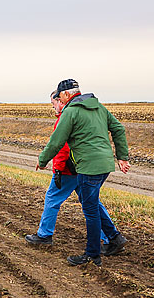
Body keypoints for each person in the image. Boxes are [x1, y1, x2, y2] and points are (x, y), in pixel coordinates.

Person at [37, 79, 130, 266]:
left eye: (60, 95)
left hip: (88, 167)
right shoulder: (99, 108)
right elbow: (118, 128)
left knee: (90, 211)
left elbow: (56, 142)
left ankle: (92, 255)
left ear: (65, 95)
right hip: (104, 164)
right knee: (92, 203)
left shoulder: (70, 111)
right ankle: (115, 238)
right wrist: (122, 157)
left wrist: (42, 160)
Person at [25, 90, 114, 250]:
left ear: (61, 101)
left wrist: (57, 169)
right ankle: (110, 236)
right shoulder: (84, 114)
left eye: (54, 104)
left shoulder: (66, 117)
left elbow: (62, 147)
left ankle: (44, 235)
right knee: (92, 203)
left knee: (52, 199)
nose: (54, 108)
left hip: (68, 170)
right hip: (82, 168)